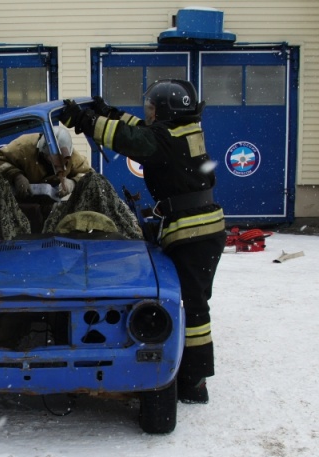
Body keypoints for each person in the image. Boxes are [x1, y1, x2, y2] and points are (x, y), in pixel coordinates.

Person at [61, 80, 226, 404]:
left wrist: (85, 121)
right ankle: (191, 373)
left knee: (193, 307)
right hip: (202, 228)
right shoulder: (181, 130)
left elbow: (131, 139)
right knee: (192, 302)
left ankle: (194, 381)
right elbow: (140, 129)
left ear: (164, 111)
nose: (147, 113)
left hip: (194, 232)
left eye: (151, 109)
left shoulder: (166, 139)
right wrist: (109, 112)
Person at [0, 126, 92, 199]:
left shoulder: (72, 156)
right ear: (42, 150)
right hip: (21, 200)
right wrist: (16, 176)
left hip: (53, 204)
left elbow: (89, 175)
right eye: (51, 158)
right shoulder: (23, 146)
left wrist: (73, 183)